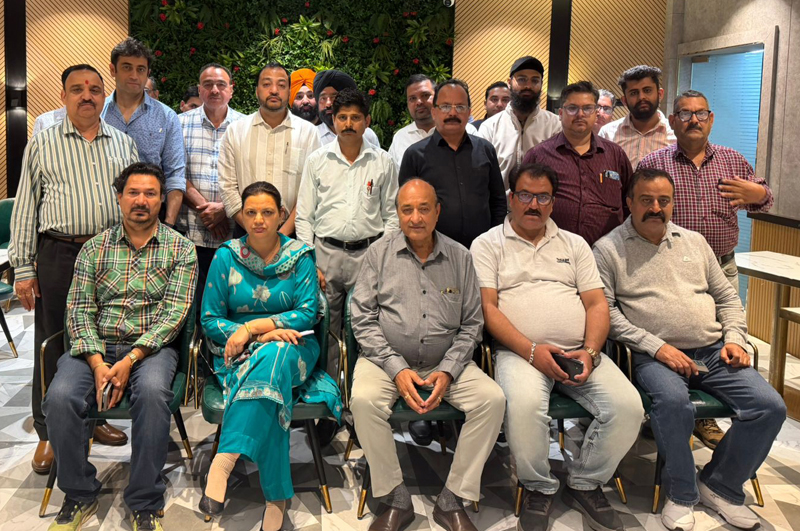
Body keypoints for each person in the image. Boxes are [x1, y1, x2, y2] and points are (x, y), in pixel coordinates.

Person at [593, 168, 786, 531]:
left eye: (663, 201)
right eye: (646, 200)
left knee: (769, 406)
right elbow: (608, 315)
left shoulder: (695, 242)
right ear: (629, 202)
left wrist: (735, 338)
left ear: (673, 204)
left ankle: (720, 486)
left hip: (713, 349)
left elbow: (727, 297)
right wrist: (658, 348)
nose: (655, 208)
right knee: (674, 404)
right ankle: (681, 495)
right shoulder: (607, 249)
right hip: (653, 357)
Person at [471, 163, 643, 531]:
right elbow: (488, 309)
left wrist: (591, 351)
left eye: (543, 197)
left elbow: (597, 305)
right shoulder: (487, 244)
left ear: (553, 202)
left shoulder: (575, 244)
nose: (533, 205)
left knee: (628, 407)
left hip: (579, 351)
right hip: (519, 353)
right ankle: (538, 487)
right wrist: (532, 351)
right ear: (511, 198)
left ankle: (586, 482)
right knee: (525, 407)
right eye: (525, 195)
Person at [43, 162, 197, 531]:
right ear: (119, 198)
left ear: (161, 200)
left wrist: (131, 359)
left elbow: (174, 314)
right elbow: (79, 310)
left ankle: (144, 500)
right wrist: (98, 363)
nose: (141, 201)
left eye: (150, 194)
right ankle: (79, 493)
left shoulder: (181, 249)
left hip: (151, 349)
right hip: (95, 346)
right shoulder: (94, 248)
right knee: (60, 397)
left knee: (153, 395)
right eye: (133, 193)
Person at [350, 179, 505, 531]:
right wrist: (395, 367)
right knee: (363, 400)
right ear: (397, 214)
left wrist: (449, 370)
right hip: (385, 359)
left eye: (423, 209)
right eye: (407, 210)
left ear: (438, 212)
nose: (416, 218)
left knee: (492, 400)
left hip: (445, 360)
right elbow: (362, 318)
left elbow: (472, 323)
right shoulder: (379, 253)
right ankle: (395, 497)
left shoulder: (460, 257)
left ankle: (452, 498)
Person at [9, 64, 139, 474]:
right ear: (63, 96)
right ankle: (49, 432)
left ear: (104, 96)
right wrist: (23, 268)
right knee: (53, 341)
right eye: (78, 89)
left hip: (109, 255)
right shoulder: (43, 143)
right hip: (59, 252)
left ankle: (94, 419)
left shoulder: (123, 144)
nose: (87, 96)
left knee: (103, 338)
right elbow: (25, 207)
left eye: (95, 89)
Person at [198, 181, 342, 531]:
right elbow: (209, 319)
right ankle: (277, 497)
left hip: (295, 345)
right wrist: (258, 337)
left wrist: (255, 327)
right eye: (251, 212)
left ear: (281, 215)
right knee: (272, 376)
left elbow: (308, 313)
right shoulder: (226, 256)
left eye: (267, 212)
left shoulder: (301, 256)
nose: (259, 219)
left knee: (277, 352)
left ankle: (225, 459)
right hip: (237, 350)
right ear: (241, 216)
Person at [637, 90, 774, 450]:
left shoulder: (731, 160)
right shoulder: (655, 163)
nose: (694, 120)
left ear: (711, 119)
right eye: (685, 114)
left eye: (700, 113)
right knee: (678, 335)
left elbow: (764, 199)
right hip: (670, 269)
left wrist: (758, 194)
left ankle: (703, 418)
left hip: (721, 266)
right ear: (673, 120)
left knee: (716, 341)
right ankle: (667, 410)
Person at [295, 87, 398, 444]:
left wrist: (381, 258)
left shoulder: (383, 162)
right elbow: (304, 216)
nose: (349, 123)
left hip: (369, 254)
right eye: (342, 117)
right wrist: (309, 260)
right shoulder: (317, 160)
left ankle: (361, 405)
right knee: (327, 331)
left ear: (367, 121)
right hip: (326, 253)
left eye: (356, 117)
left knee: (367, 332)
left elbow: (392, 217)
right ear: (333, 121)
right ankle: (328, 405)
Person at [522, 81, 633, 247]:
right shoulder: (539, 155)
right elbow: (523, 205)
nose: (580, 114)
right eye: (572, 108)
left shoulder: (615, 155)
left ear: (595, 113)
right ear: (560, 113)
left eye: (587, 108)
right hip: (552, 251)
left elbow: (630, 202)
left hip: (607, 252)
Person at [399, 78, 505, 250]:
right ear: (434, 111)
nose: (453, 113)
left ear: (469, 112)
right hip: (433, 253)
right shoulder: (414, 155)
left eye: (460, 107)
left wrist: (494, 242)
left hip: (482, 250)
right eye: (446, 106)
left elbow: (498, 202)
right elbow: (406, 208)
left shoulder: (486, 150)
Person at [218, 63, 320, 238]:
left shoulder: (308, 133)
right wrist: (253, 228)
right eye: (266, 84)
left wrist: (281, 234)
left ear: (289, 92)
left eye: (281, 85)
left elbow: (312, 189)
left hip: (293, 233)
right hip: (245, 232)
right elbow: (227, 187)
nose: (274, 90)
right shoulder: (235, 132)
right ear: (257, 91)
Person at [178, 63, 245, 311]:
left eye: (221, 84)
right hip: (191, 234)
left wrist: (224, 209)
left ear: (231, 90)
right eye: (208, 85)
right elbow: (174, 172)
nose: (214, 90)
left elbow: (251, 178)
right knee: (193, 307)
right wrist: (206, 210)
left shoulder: (245, 126)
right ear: (199, 89)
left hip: (235, 234)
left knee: (232, 304)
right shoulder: (179, 124)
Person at [102, 38, 185, 228]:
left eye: (140, 69)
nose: (134, 75)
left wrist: (168, 225)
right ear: (113, 70)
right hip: (103, 219)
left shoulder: (166, 117)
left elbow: (175, 175)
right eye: (127, 67)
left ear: (147, 73)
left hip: (151, 218)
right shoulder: (98, 114)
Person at [477, 56, 561, 188]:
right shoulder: (490, 127)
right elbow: (480, 174)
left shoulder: (555, 125)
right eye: (522, 79)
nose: (528, 86)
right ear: (509, 83)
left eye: (535, 80)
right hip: (500, 201)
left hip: (540, 200)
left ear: (541, 84)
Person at [388, 74, 477, 167]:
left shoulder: (468, 131)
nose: (419, 102)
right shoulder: (400, 137)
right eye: (412, 98)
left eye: (425, 95)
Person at [598, 65, 676, 168]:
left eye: (647, 90)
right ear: (624, 101)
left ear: (660, 94)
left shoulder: (675, 135)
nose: (641, 97)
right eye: (634, 93)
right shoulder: (607, 134)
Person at [313, 69, 380, 147]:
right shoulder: (313, 136)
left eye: (333, 97)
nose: (328, 103)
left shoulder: (368, 135)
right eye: (323, 98)